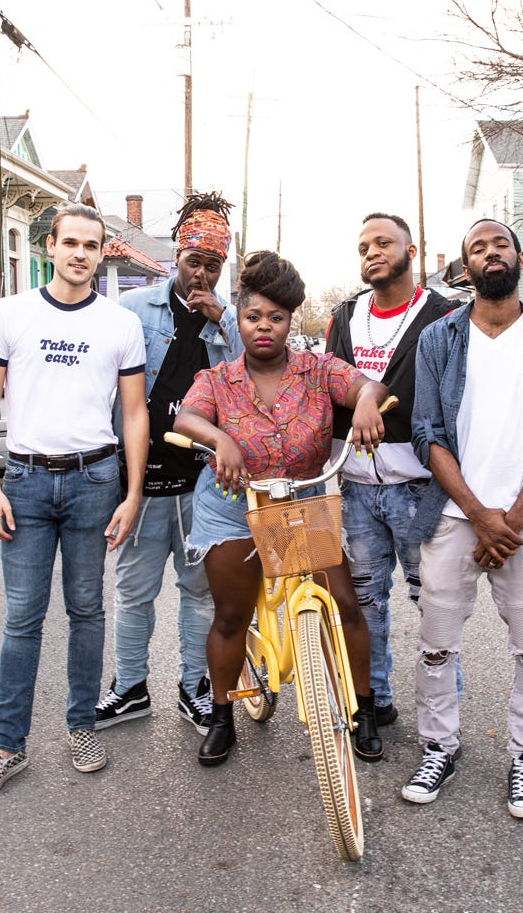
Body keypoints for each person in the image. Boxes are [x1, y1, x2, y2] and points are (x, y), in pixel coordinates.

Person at [0, 203, 149, 801]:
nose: (79, 254)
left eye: (91, 245)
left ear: (102, 253)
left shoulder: (120, 325)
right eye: (70, 242)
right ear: (51, 247)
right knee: (23, 618)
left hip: (95, 482)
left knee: (88, 610)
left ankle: (81, 727)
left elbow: (134, 413)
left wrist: (133, 493)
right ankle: (6, 747)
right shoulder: (10, 315)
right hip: (25, 482)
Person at [173, 251, 390, 767]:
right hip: (233, 507)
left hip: (302, 502)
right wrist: (218, 437)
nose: (264, 327)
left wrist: (363, 402)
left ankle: (363, 710)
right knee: (230, 615)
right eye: (253, 317)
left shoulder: (317, 370)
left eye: (277, 318)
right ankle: (222, 717)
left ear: (291, 321)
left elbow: (368, 385)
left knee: (345, 603)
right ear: (238, 319)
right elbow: (186, 418)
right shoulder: (218, 379)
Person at [401, 218, 523, 819]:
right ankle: (438, 747)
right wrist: (480, 515)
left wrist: (513, 520)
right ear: (466, 268)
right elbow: (427, 434)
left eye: (499, 243)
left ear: (520, 258)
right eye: (477, 248)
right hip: (454, 518)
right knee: (435, 646)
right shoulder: (440, 340)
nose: (490, 253)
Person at [94, 192, 242, 736]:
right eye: (193, 261)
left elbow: (248, 383)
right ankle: (130, 687)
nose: (201, 273)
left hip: (204, 484)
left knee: (199, 589)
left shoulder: (230, 324)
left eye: (212, 265)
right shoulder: (133, 312)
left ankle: (193, 688)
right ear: (177, 257)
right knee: (133, 588)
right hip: (143, 479)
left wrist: (224, 322)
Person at [325, 212, 457, 726]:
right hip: (356, 488)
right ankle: (374, 700)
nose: (372, 252)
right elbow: (328, 386)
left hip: (419, 488)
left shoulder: (443, 316)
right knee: (365, 606)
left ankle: (438, 718)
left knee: (434, 606)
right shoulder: (344, 316)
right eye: (363, 247)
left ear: (412, 251)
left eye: (383, 242)